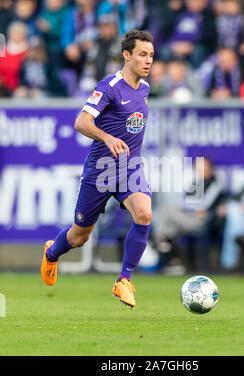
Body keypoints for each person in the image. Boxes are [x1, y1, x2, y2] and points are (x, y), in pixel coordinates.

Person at [41, 30, 154, 309]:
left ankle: (123, 280)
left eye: (151, 55)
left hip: (129, 168)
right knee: (79, 236)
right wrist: (107, 137)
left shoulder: (145, 89)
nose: (148, 60)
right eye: (142, 54)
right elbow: (81, 122)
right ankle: (52, 252)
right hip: (101, 170)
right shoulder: (109, 86)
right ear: (126, 55)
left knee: (144, 213)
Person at [153, 157, 225, 273]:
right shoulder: (196, 184)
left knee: (168, 212)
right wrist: (188, 206)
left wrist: (187, 206)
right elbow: (181, 201)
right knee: (168, 218)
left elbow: (203, 204)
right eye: (197, 166)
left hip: (202, 221)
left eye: (202, 166)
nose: (199, 169)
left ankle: (161, 241)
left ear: (209, 168)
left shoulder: (214, 184)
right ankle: (173, 259)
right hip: (188, 217)